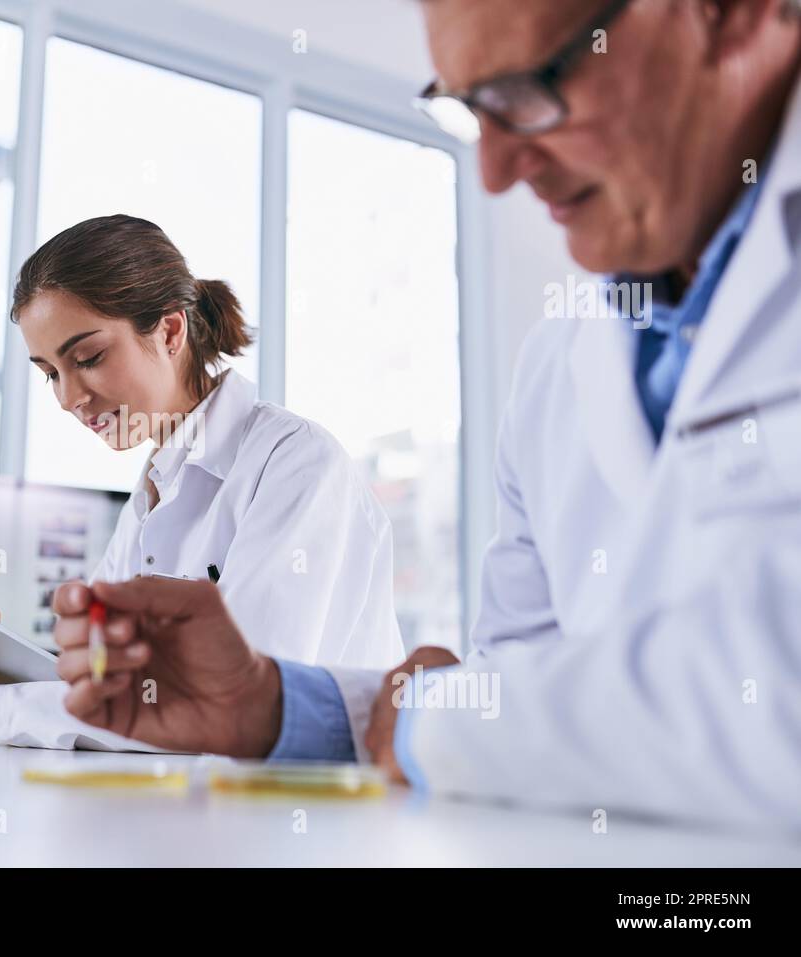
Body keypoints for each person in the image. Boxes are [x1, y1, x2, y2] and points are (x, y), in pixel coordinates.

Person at [49, 0, 801, 830]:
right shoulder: (558, 366)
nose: (497, 171)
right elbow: (515, 695)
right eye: (473, 107)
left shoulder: (295, 460)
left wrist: (434, 716)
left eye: (531, 85)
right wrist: (273, 705)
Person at [0, 214, 403, 749]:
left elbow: (233, 702)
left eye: (88, 358)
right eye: (51, 373)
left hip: (325, 814)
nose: (67, 397)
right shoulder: (154, 489)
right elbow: (108, 689)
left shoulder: (295, 461)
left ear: (170, 331)